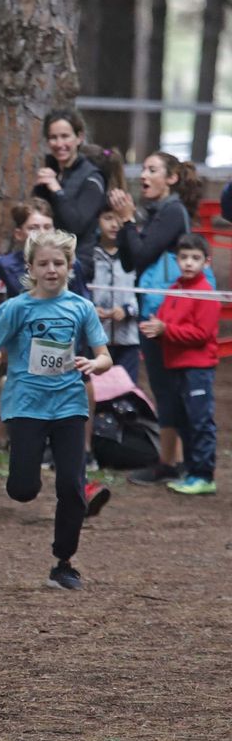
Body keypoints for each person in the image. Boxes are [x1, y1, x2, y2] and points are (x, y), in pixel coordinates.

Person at [0, 230, 112, 590]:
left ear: (70, 267)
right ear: (31, 268)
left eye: (58, 263)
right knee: (23, 489)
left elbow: (105, 356)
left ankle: (63, 562)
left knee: (71, 485)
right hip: (25, 406)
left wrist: (94, 364)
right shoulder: (15, 308)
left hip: (69, 403)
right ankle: (21, 473)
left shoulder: (81, 307)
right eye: (44, 263)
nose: (51, 269)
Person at [110, 151, 207, 487]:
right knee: (164, 388)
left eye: (153, 170)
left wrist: (126, 220)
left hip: (169, 315)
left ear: (172, 178)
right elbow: (127, 260)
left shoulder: (172, 212)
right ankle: (170, 461)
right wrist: (127, 221)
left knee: (175, 388)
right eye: (143, 170)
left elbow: (140, 255)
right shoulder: (152, 213)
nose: (144, 176)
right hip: (153, 311)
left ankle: (184, 462)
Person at [146, 234, 219, 496]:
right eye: (184, 257)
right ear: (177, 260)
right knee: (185, 421)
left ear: (206, 262)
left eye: (195, 258)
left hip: (197, 369)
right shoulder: (175, 289)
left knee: (200, 421)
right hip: (175, 366)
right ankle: (191, 471)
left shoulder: (207, 293)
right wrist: (156, 326)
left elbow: (202, 333)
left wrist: (166, 329)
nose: (189, 263)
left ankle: (203, 474)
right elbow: (167, 319)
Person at [35, 110, 111, 273]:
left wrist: (56, 190)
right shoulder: (50, 171)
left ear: (79, 137)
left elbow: (76, 225)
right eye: (53, 137)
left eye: (65, 136)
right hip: (47, 260)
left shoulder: (92, 177)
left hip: (77, 264)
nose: (59, 143)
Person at [91, 206, 140, 382]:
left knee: (126, 391)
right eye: (108, 218)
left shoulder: (135, 256)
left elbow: (145, 294)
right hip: (96, 340)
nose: (114, 224)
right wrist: (91, 310)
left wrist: (127, 310)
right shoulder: (89, 256)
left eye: (119, 219)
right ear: (97, 220)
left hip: (128, 340)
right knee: (98, 392)